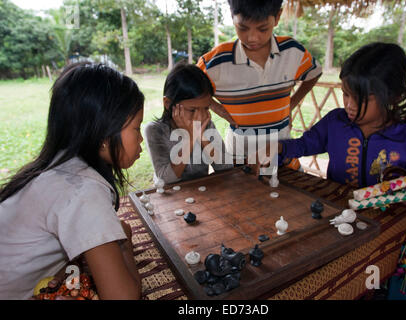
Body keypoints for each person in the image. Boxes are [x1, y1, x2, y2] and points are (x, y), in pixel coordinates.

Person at [0, 63, 143, 300]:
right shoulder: (82, 189)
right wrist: (124, 243)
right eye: (136, 128)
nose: (140, 139)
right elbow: (123, 297)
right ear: (104, 134)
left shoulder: (61, 165)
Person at [259, 42, 406, 188]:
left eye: (362, 99)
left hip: (386, 218)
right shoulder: (336, 122)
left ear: (393, 96)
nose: (349, 105)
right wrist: (279, 147)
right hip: (340, 212)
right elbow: (304, 145)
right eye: (346, 94)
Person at [197, 0, 322, 161]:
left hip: (281, 150)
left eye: (263, 29)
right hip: (240, 154)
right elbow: (189, 88)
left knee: (285, 185)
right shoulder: (215, 62)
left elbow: (314, 73)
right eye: (243, 28)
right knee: (241, 184)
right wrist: (217, 108)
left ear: (277, 17)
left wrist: (291, 103)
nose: (252, 38)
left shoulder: (292, 52)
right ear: (232, 16)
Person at [145, 63, 233, 184]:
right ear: (168, 103)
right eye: (192, 110)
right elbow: (165, 179)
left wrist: (201, 136)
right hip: (170, 197)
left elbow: (226, 166)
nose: (201, 116)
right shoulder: (155, 131)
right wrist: (190, 138)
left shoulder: (206, 125)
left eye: (206, 108)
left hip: (199, 193)